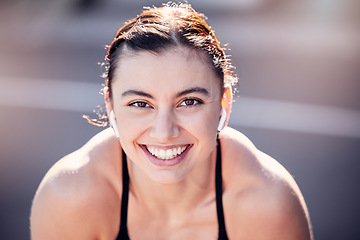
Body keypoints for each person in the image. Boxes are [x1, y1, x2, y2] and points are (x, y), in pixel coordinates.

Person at [30, 2, 313, 239]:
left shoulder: (266, 203)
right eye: (140, 104)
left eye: (189, 102)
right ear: (111, 105)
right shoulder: (71, 196)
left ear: (224, 102)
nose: (164, 132)